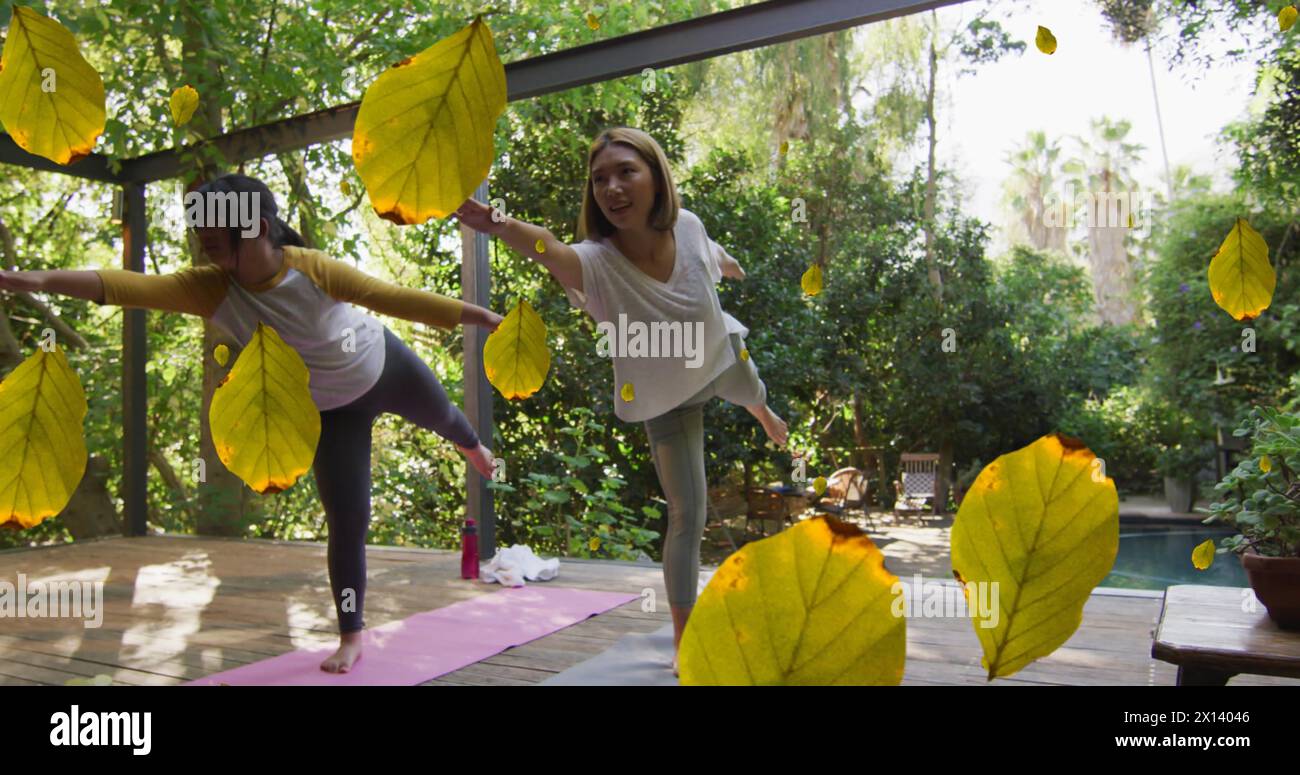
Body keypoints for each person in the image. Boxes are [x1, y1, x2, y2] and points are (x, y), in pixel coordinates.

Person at [0, 173, 502, 674]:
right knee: (347, 522)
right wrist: (37, 279)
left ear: (258, 226)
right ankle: (352, 635)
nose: (204, 239)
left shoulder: (312, 270)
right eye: (200, 231)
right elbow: (124, 285)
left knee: (447, 418)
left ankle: (473, 447)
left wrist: (482, 317)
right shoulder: (208, 289)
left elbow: (391, 297)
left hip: (382, 366)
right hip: (328, 412)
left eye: (215, 230)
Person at [454, 127, 788, 675]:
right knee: (688, 516)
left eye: (626, 172)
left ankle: (761, 412)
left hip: (720, 362)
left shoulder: (689, 225)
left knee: (752, 390)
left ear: (656, 177)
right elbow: (546, 247)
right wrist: (492, 221)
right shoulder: (594, 263)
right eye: (600, 179)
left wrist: (724, 261)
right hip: (664, 402)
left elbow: (705, 245)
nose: (611, 187)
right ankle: (686, 640)